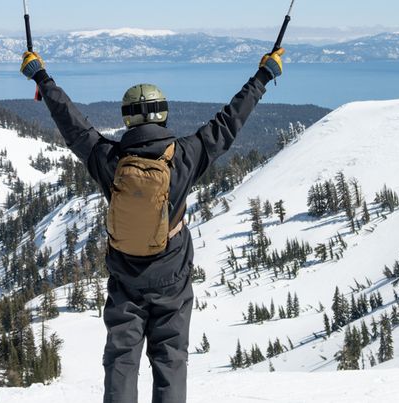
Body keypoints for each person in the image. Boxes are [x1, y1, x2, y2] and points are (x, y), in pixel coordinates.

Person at [19, 48, 285, 402]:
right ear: (163, 114)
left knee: (121, 360)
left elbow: (73, 125)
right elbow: (229, 122)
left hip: (125, 278)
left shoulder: (107, 158)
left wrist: (42, 77)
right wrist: (263, 75)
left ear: (127, 119)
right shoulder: (186, 155)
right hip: (172, 277)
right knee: (171, 359)